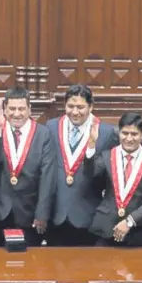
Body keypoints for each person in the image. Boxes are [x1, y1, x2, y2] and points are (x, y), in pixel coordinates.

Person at [43, 84, 119, 246]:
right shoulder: (52, 126)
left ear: (90, 107)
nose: (75, 112)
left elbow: (109, 177)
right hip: (57, 215)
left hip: (88, 215)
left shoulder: (106, 133)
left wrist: (91, 148)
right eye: (70, 106)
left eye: (80, 107)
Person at [0, 86, 55, 246]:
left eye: (21, 109)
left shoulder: (43, 134)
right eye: (12, 109)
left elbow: (47, 176)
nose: (16, 114)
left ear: (30, 109)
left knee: (29, 264)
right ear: (4, 110)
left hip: (30, 212)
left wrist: (42, 213)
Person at [83, 112, 142, 247]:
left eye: (134, 134)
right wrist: (91, 145)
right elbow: (90, 174)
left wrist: (129, 221)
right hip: (105, 230)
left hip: (137, 233)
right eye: (125, 133)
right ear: (119, 133)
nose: (129, 138)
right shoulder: (107, 156)